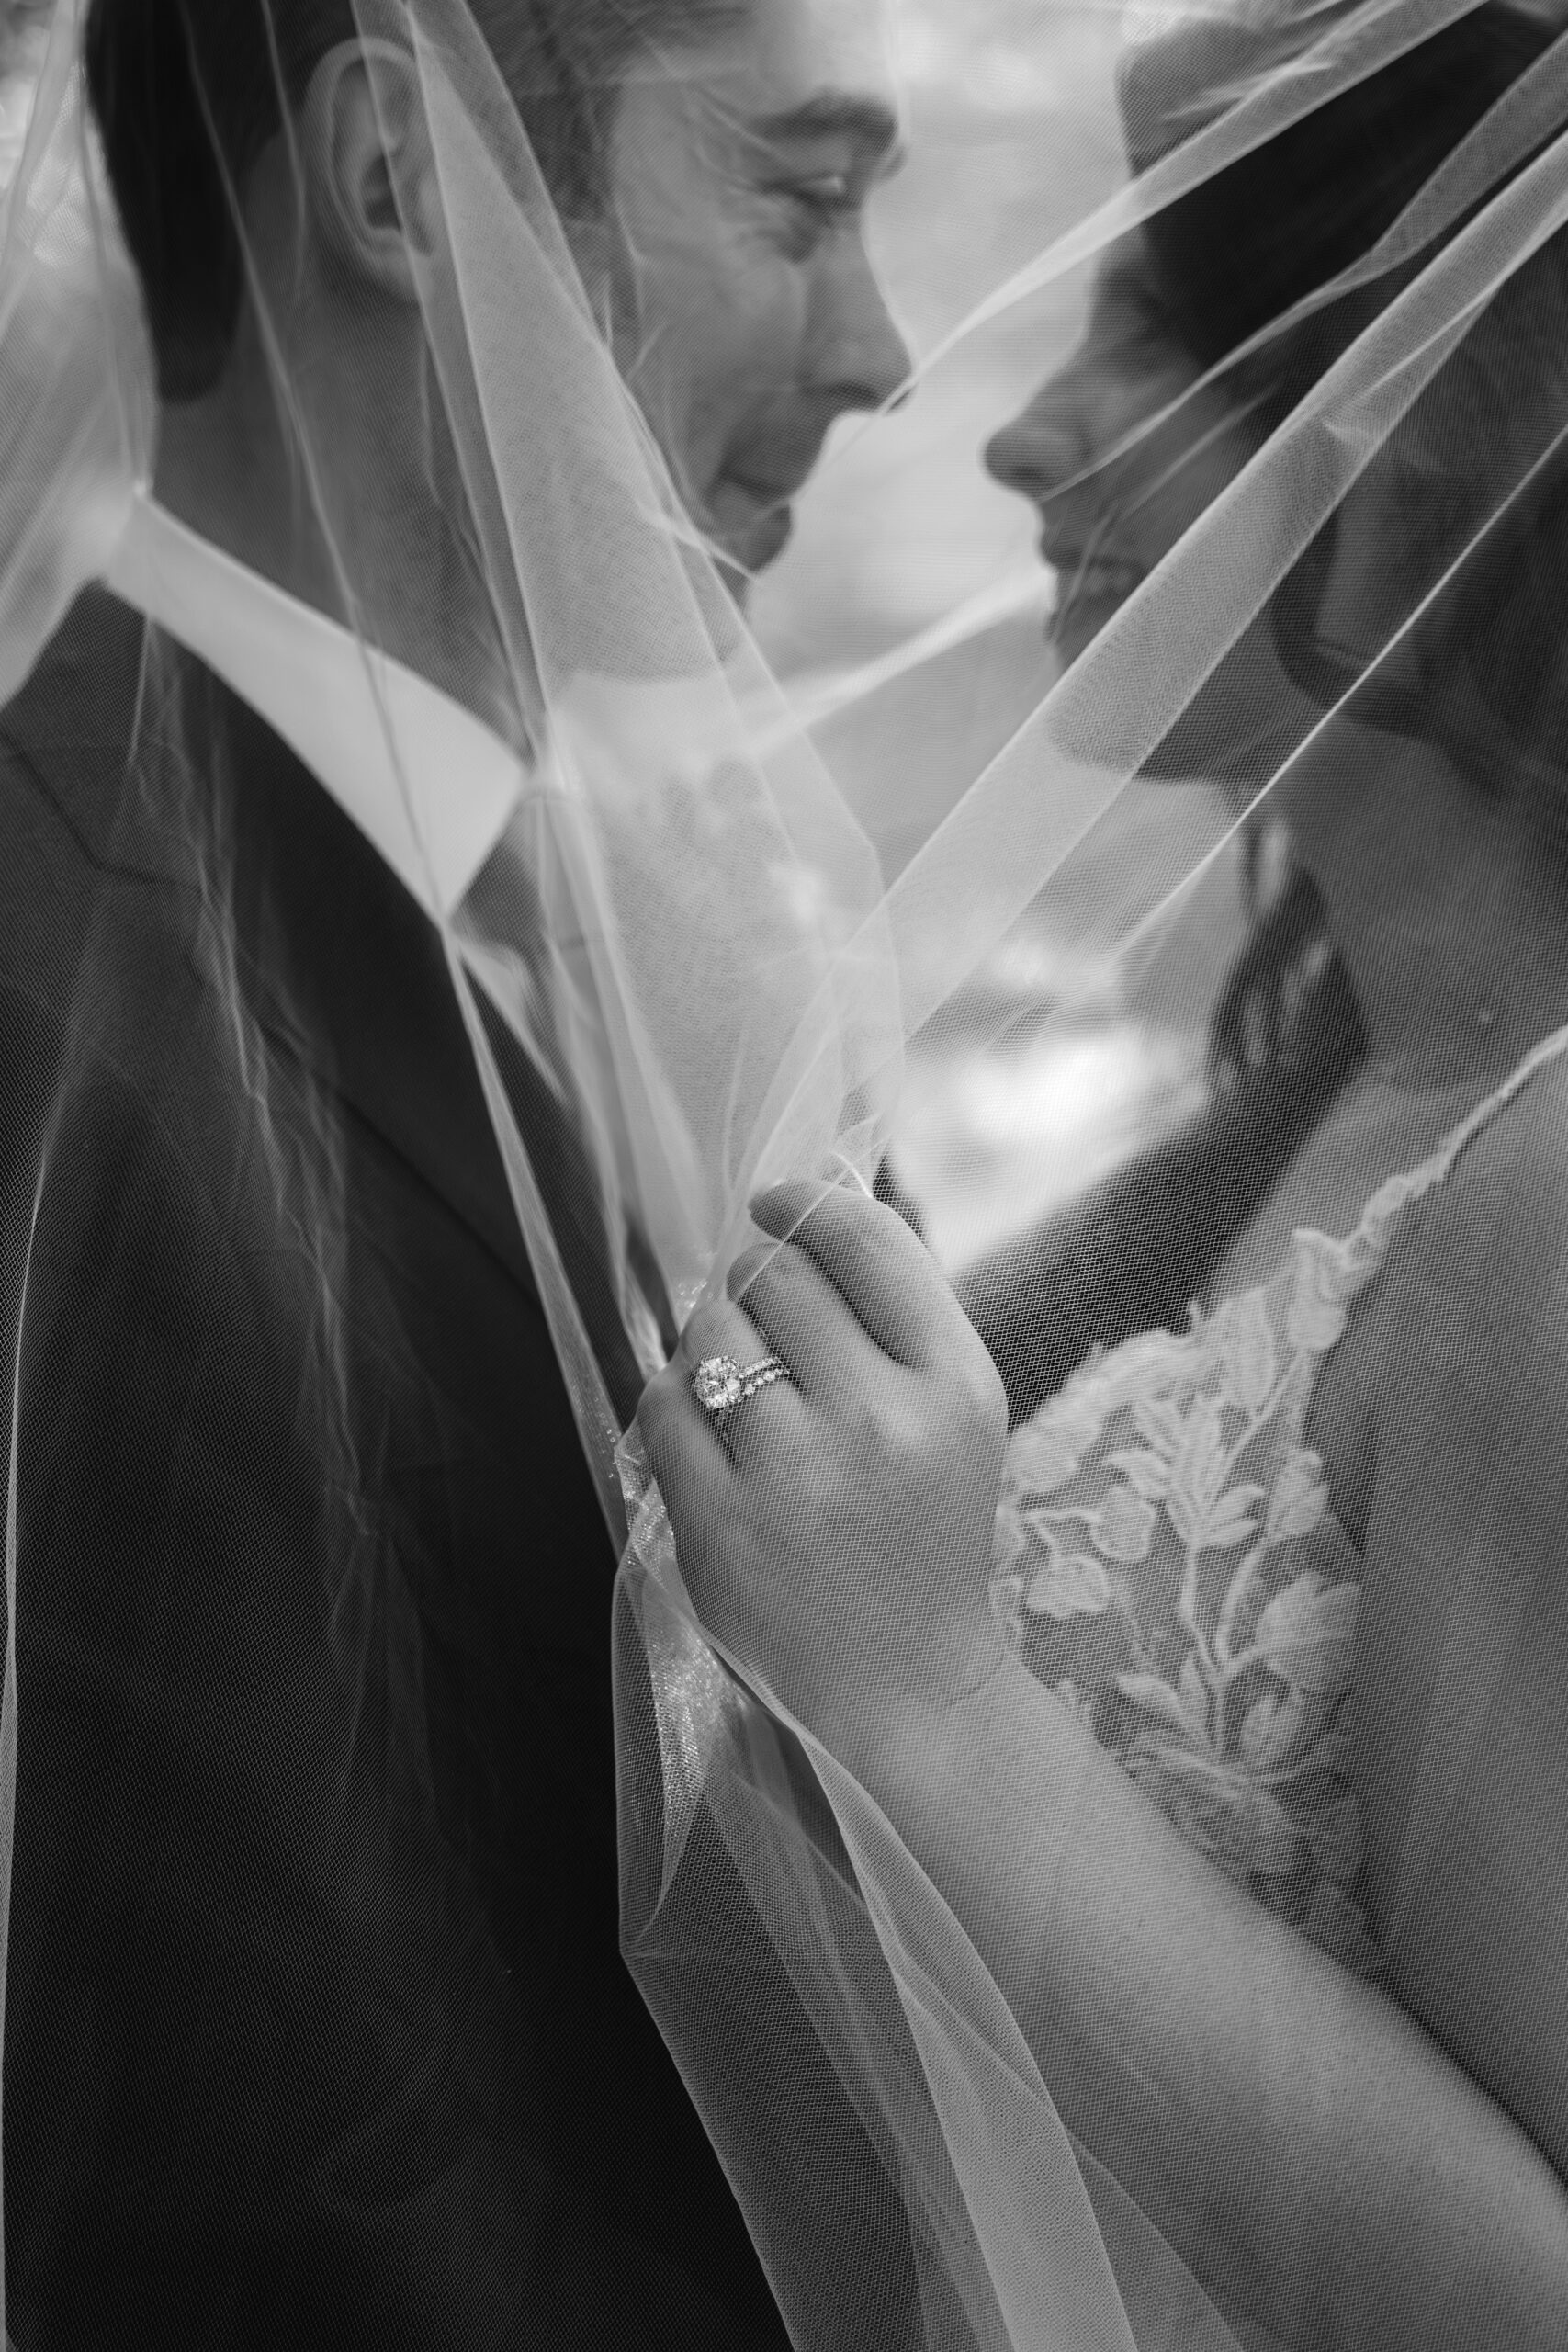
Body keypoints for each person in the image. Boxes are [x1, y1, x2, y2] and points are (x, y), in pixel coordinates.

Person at [641, 8, 1568, 2346]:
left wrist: (927, 1682)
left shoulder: (1540, 1204)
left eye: (1153, 334)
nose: (1018, 422)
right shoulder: (1303, 1123)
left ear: (1429, 424)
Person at [0, 0, 908, 2341]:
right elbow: (275, 2178)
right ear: (403, 180)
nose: (891, 346)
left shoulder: (544, 909)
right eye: (800, 201)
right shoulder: (50, 967)